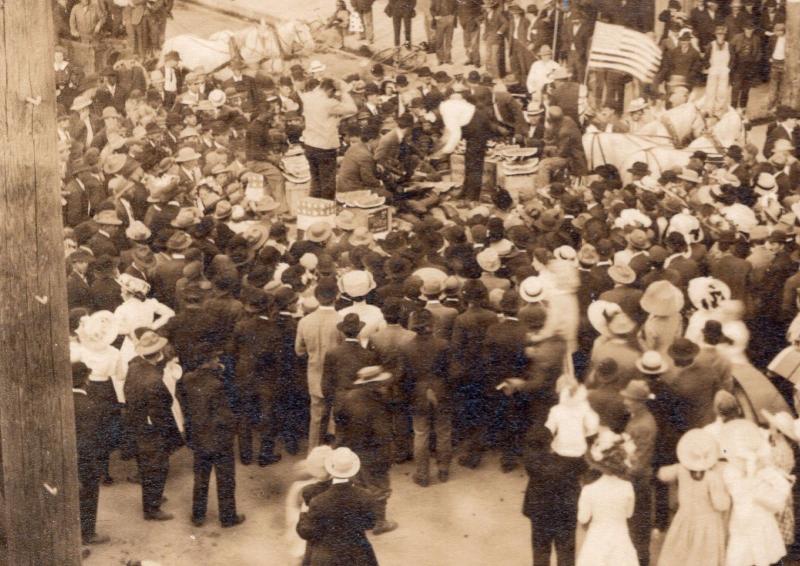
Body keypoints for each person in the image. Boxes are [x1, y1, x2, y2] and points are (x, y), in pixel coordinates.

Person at [124, 330, 184, 521]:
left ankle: (152, 498)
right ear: (159, 354)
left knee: (145, 464)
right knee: (157, 465)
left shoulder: (134, 367)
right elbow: (164, 404)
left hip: (136, 423)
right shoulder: (155, 381)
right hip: (153, 428)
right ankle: (152, 508)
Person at [181, 354, 245, 528]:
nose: (219, 362)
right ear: (207, 362)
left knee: (200, 477)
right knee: (225, 479)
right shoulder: (217, 385)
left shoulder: (187, 380)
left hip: (199, 437)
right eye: (215, 359)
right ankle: (228, 517)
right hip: (219, 439)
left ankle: (198, 515)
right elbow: (225, 415)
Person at [656, 429, 730, 566]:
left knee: (682, 554)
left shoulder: (681, 469)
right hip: (708, 522)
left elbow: (662, 474)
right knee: (704, 557)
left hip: (685, 517)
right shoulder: (712, 477)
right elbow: (720, 504)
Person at [296, 447, 379, 565]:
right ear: (353, 470)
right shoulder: (365, 495)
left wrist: (304, 512)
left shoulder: (318, 501)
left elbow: (305, 532)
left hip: (327, 556)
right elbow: (370, 524)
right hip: (358, 554)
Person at [576, 431, 639, 566]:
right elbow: (629, 513)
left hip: (597, 537)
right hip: (620, 537)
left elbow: (583, 518)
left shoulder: (589, 490)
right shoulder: (627, 487)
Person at [296, 278, 344, 448]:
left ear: (316, 296)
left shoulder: (304, 321)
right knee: (338, 417)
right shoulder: (341, 320)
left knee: (316, 418)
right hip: (337, 377)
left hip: (315, 375)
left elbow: (299, 350)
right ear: (336, 296)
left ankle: (313, 454)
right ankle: (337, 457)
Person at [522, 426, 579, 566]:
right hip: (566, 511)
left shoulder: (530, 460)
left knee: (541, 549)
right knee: (566, 551)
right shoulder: (569, 461)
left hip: (539, 511)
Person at [72, 361, 110, 545]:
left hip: (68, 457)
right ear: (85, 380)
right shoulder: (87, 405)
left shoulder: (62, 401)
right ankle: (88, 533)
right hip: (85, 459)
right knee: (88, 495)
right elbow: (89, 440)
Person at [300, 79, 357, 200]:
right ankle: (327, 213)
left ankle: (314, 211)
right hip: (325, 147)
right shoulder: (329, 103)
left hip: (310, 145)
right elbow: (353, 109)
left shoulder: (308, 98)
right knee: (328, 184)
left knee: (315, 182)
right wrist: (343, 91)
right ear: (331, 90)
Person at [621, 380, 657, 566]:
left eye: (629, 399)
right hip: (636, 479)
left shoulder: (643, 424)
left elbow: (640, 462)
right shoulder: (637, 417)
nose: (625, 402)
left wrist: (619, 473)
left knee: (638, 531)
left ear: (639, 401)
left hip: (638, 483)